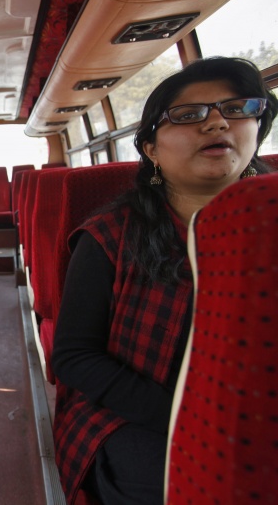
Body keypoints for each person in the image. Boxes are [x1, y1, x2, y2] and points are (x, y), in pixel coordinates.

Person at [51, 56, 277, 505]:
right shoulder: (108, 237)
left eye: (236, 110)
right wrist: (186, 417)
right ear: (151, 149)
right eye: (188, 115)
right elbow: (75, 356)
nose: (217, 124)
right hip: (135, 412)